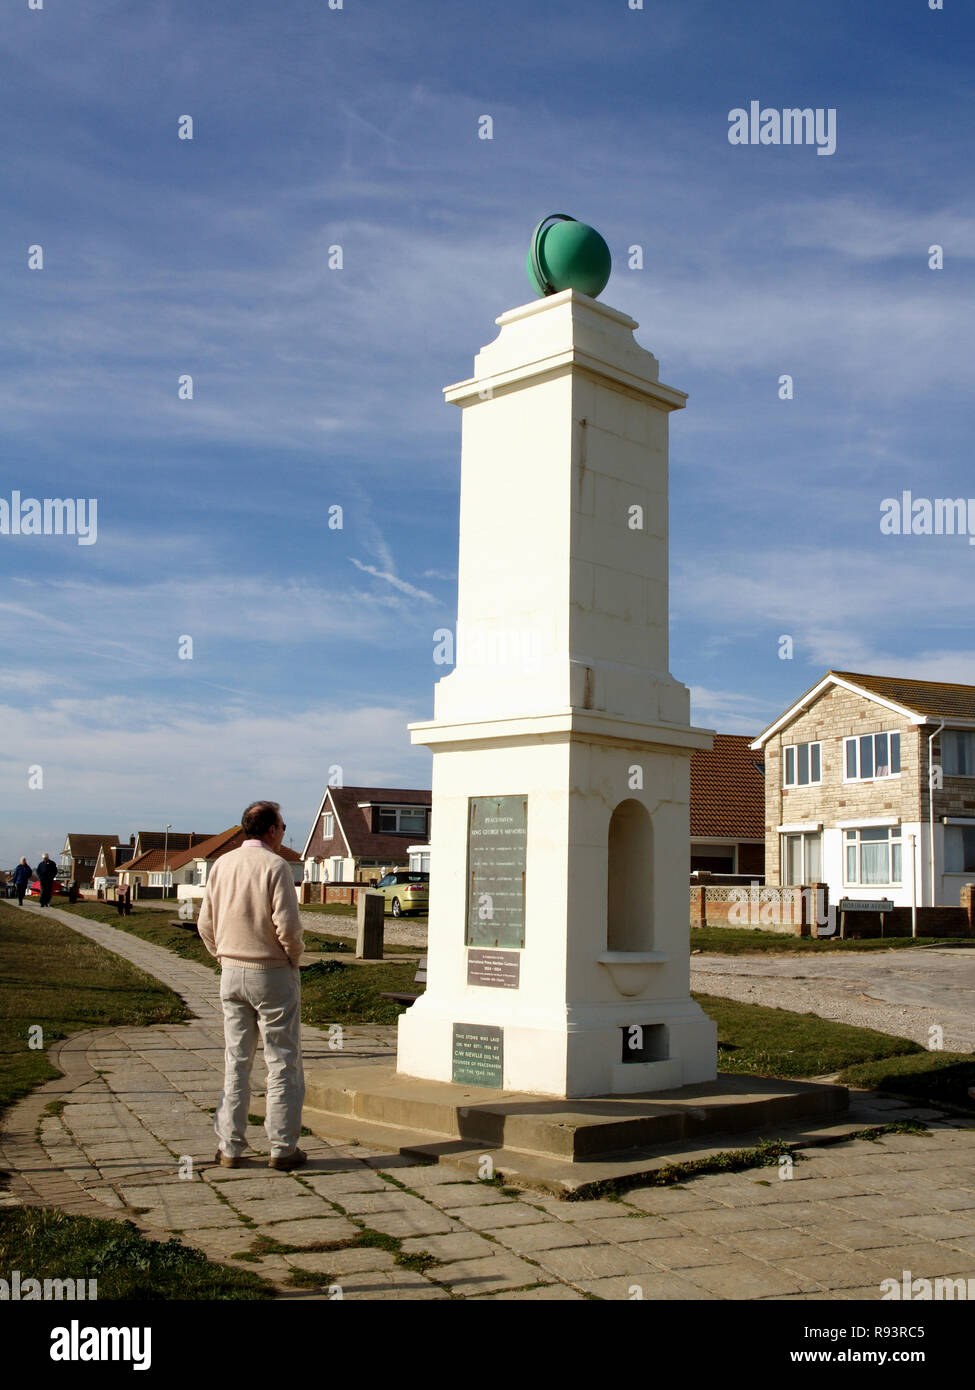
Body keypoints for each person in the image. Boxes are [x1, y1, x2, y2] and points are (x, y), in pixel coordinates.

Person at [197, 801, 305, 1171]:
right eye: (283, 826)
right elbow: (288, 927)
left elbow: (205, 923)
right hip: (272, 971)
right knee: (282, 1061)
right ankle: (282, 1147)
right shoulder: (275, 867)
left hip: (231, 971)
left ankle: (230, 1146)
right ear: (272, 830)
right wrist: (293, 957)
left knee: (237, 1060)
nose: (284, 832)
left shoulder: (221, 865)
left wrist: (222, 956)